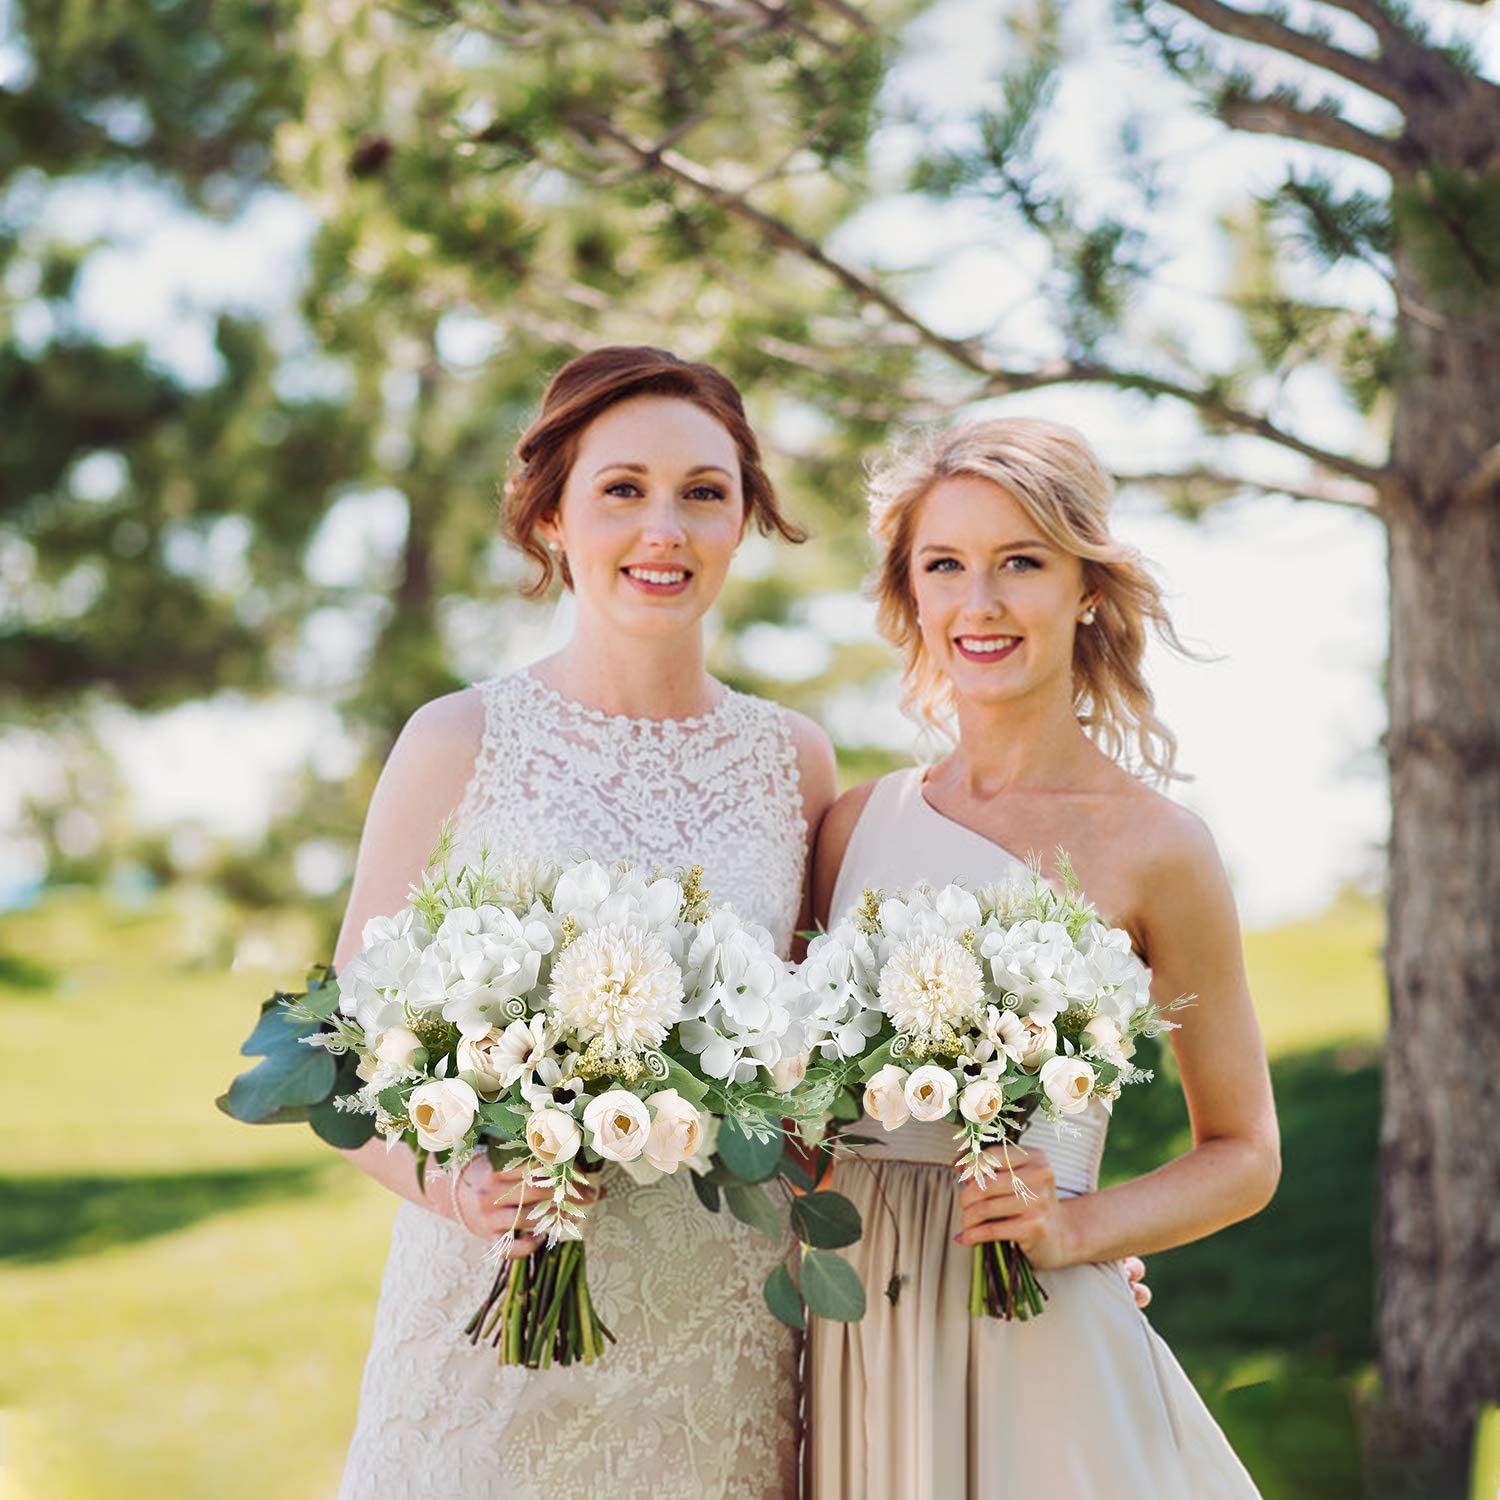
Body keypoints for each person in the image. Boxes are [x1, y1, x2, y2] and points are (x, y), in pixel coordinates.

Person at [331, 346, 838, 1499]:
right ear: (552, 514)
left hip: (715, 1340)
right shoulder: (457, 741)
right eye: (623, 489)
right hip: (491, 1313)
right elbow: (338, 1055)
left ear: (745, 518)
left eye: (704, 493)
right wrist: (455, 1184)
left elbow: (817, 1084)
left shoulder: (794, 762)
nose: (665, 528)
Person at [804, 416, 1279, 1499]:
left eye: (1021, 561)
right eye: (946, 566)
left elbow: (1245, 1151)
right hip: (852, 1320)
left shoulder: (1158, 850)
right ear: (910, 597)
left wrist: (1080, 1227)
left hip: (1032, 1315)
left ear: (1087, 588)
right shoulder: (851, 825)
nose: (981, 603)